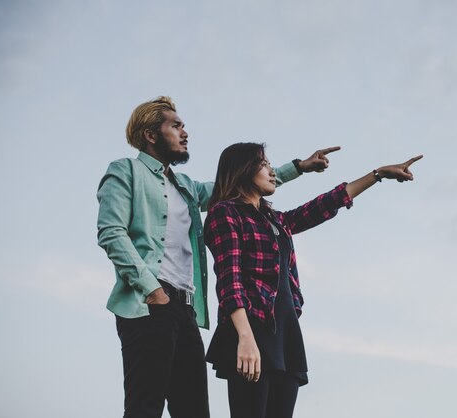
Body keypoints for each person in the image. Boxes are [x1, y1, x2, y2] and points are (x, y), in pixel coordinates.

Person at [96, 96, 341, 418]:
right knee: (146, 405)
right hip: (147, 304)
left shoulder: (184, 186)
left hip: (184, 308)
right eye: (176, 126)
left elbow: (238, 183)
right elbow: (111, 232)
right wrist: (151, 290)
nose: (185, 133)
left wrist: (299, 168)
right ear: (150, 135)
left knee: (194, 409)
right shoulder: (125, 170)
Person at [203, 142, 423, 418]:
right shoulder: (225, 213)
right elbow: (229, 279)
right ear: (243, 170)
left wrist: (377, 174)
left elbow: (322, 206)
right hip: (252, 330)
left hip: (284, 336)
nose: (272, 171)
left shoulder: (274, 219)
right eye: (264, 164)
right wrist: (245, 338)